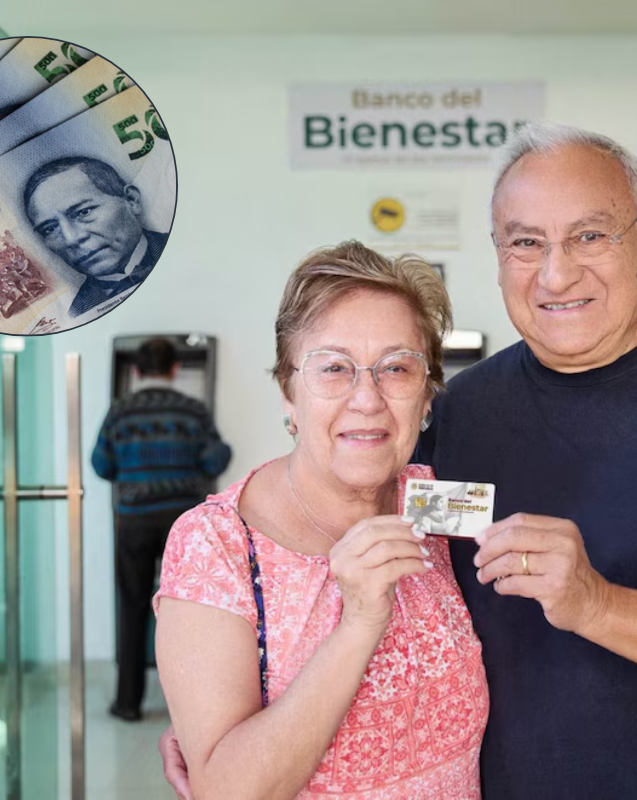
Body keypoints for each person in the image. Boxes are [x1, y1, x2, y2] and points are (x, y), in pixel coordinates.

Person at [161, 123, 637, 799]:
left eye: (590, 235)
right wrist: (217, 731)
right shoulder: (454, 418)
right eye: (526, 242)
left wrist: (598, 605)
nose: (557, 271)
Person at [153, 243, 489, 798]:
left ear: (426, 397)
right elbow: (228, 790)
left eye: (397, 368)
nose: (367, 398)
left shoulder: (432, 500)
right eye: (333, 368)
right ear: (288, 390)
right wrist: (358, 622)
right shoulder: (214, 544)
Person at [92, 337, 232, 721]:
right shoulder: (193, 411)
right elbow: (216, 458)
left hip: (133, 520)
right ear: (174, 370)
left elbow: (101, 465)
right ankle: (187, 709)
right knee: (185, 611)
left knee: (132, 605)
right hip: (182, 524)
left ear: (136, 371)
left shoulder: (120, 412)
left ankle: (128, 703)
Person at [22, 155, 167, 318]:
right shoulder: (75, 316)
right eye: (50, 229)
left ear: (131, 200)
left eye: (84, 212)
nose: (71, 238)